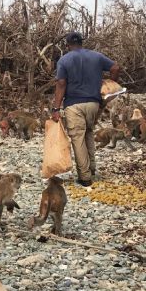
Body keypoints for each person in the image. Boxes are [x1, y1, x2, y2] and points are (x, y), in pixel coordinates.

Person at [50, 32, 121, 186]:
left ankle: (85, 177)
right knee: (88, 132)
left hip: (74, 105)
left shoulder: (64, 60)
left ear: (67, 45)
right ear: (81, 43)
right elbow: (115, 67)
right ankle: (92, 168)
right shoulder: (97, 56)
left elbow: (61, 84)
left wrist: (56, 108)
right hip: (94, 104)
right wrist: (109, 83)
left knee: (77, 138)